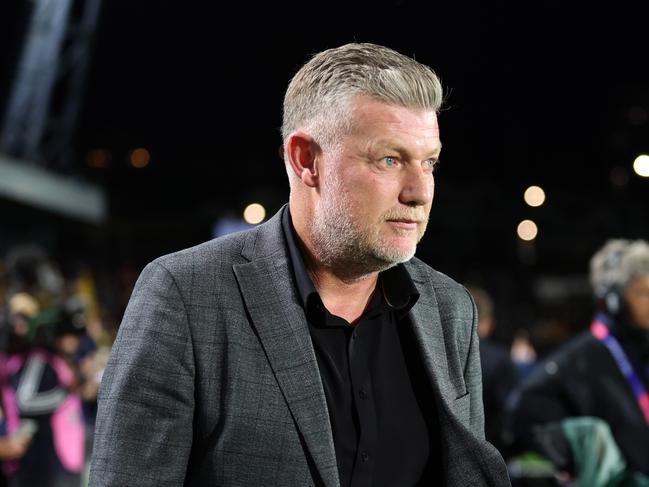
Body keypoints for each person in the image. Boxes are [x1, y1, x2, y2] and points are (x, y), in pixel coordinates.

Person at [89, 42, 510, 486]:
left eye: (429, 163)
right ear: (306, 160)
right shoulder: (184, 295)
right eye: (390, 159)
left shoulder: (450, 309)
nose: (419, 191)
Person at [508, 239, 649, 486]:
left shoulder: (639, 352)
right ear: (613, 300)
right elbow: (522, 413)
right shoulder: (579, 360)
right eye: (644, 292)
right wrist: (578, 452)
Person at [468, 286, 519, 457]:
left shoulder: (432, 354)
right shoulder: (500, 361)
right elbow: (509, 419)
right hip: (489, 456)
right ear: (489, 325)